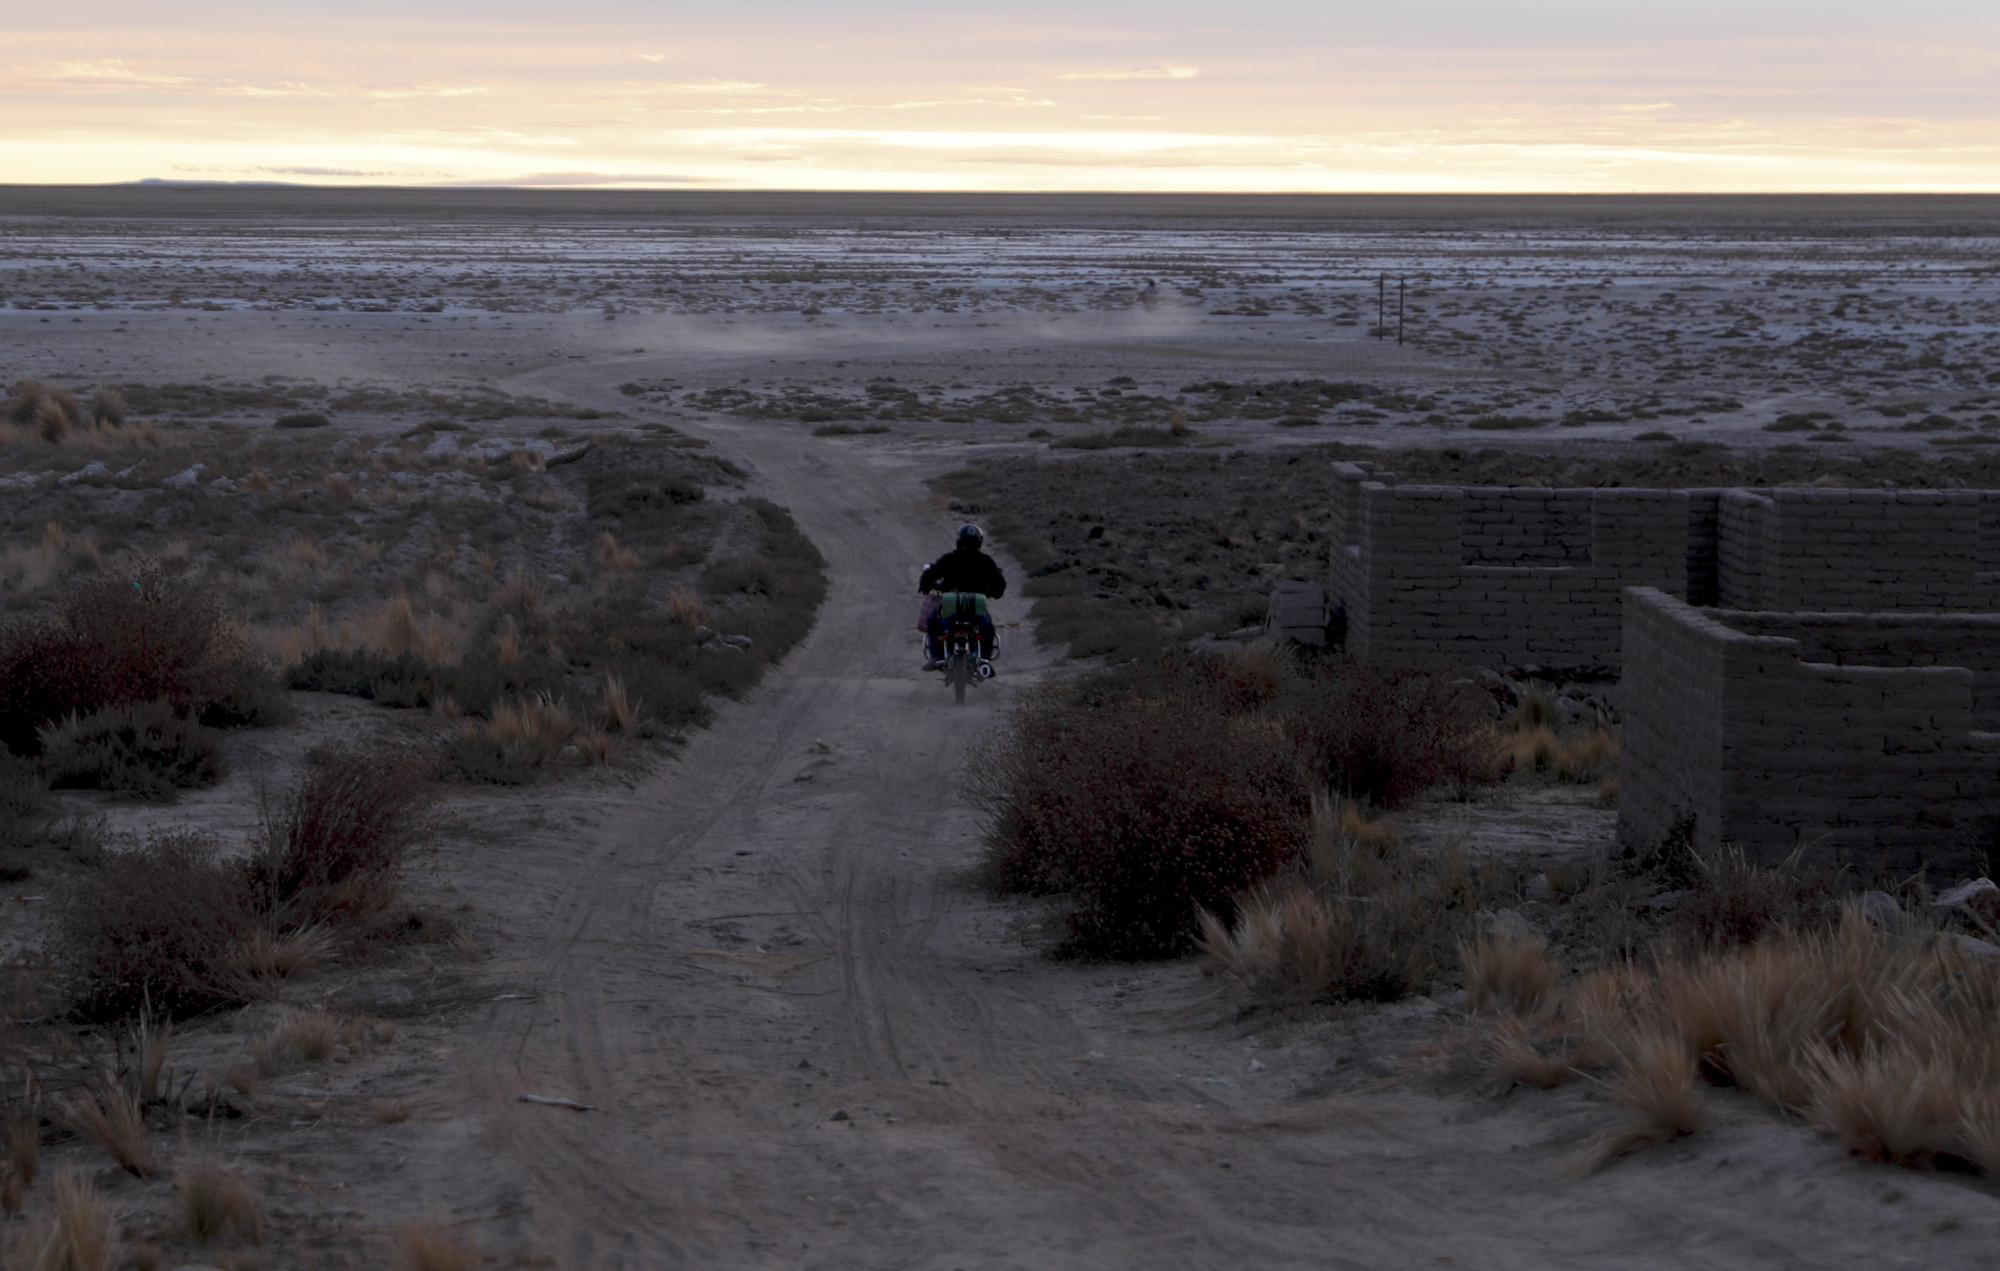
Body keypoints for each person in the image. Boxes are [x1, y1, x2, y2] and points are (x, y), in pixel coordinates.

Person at [917, 524, 1006, 668]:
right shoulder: (985, 561)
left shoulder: (949, 559)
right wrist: (994, 592)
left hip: (950, 603)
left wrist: (925, 586)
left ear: (959, 540)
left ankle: (937, 657)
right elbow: (999, 584)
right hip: (976, 604)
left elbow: (930, 575)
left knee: (933, 622)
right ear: (979, 540)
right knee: (988, 628)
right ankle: (984, 660)